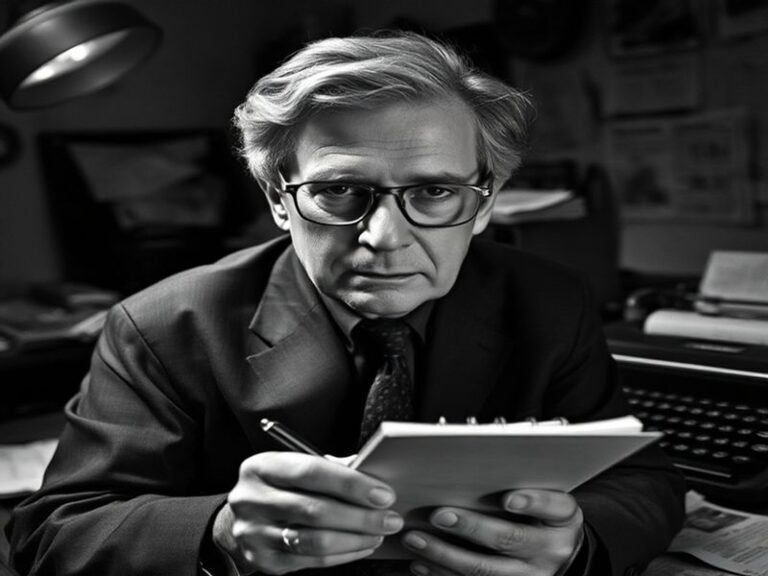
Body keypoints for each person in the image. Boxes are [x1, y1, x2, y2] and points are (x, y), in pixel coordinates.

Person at [7, 31, 685, 576]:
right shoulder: (161, 327)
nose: (386, 239)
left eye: (436, 192)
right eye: (339, 192)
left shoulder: (550, 300)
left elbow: (642, 482)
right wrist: (218, 535)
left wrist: (576, 545)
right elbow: (52, 536)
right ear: (279, 199)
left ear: (485, 204)